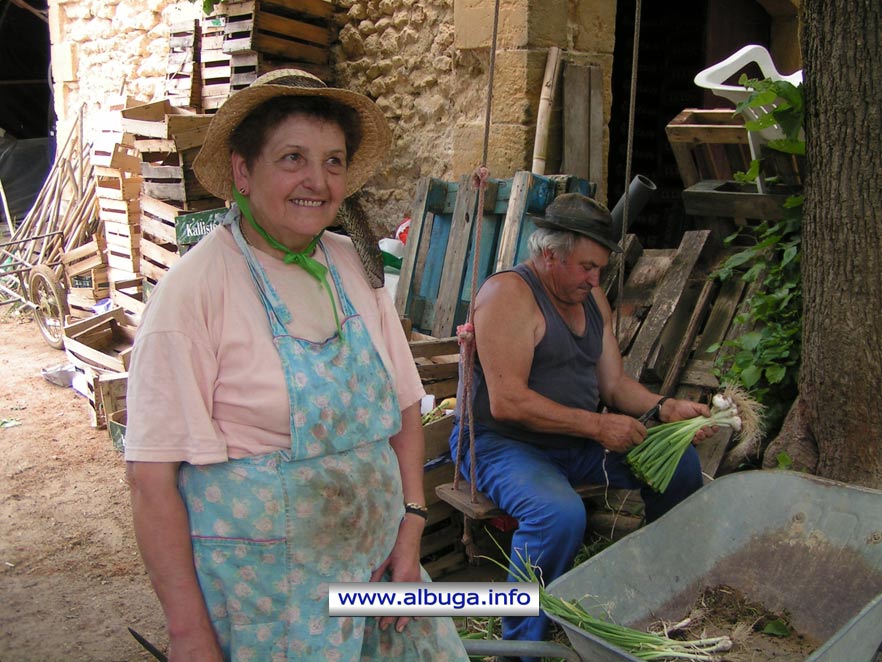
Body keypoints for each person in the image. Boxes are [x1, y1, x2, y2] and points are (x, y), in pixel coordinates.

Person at [125, 69, 468, 661]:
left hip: (382, 567)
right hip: (271, 596)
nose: (318, 181)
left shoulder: (352, 265)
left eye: (333, 162)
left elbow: (407, 408)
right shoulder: (194, 291)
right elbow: (150, 481)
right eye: (292, 158)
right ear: (242, 172)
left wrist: (411, 524)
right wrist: (188, 632)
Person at [449, 192, 714, 655]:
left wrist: (664, 407)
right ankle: (522, 646)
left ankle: (656, 592)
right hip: (502, 443)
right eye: (587, 267)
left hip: (572, 441)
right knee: (557, 514)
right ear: (549, 255)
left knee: (681, 466)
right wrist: (596, 426)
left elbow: (614, 386)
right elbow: (508, 402)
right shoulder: (509, 295)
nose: (596, 279)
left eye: (600, 269)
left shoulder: (590, 300)